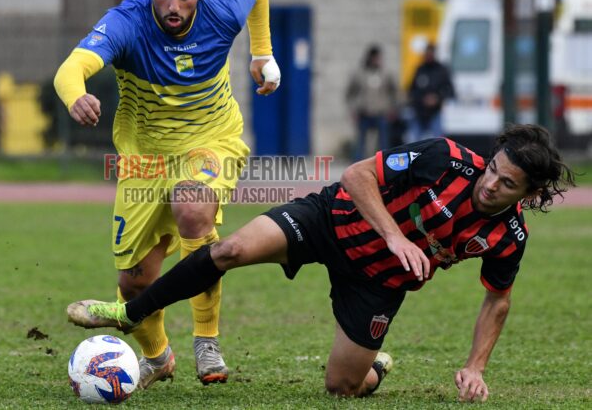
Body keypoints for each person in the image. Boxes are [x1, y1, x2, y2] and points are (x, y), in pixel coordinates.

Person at [67, 124, 574, 401]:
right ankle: (129, 315)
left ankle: (372, 366)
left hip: (377, 284)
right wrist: (396, 236)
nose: (491, 184)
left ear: (529, 194)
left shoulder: (508, 236)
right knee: (229, 249)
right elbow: (357, 175)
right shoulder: (446, 157)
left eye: (507, 184)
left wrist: (474, 366)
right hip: (328, 221)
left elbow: (497, 299)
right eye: (494, 170)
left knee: (342, 388)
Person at [54, 0, 281, 390]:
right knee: (134, 284)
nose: (173, 5)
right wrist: (75, 94)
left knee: (192, 206)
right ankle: (158, 358)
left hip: (212, 141)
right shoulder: (127, 22)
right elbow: (71, 68)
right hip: (144, 161)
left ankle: (206, 339)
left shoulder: (223, 8)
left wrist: (262, 52)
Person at [345, 44, 398, 161]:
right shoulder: (359, 73)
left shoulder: (386, 74)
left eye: (378, 58)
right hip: (363, 112)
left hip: (381, 113)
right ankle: (357, 164)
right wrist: (353, 109)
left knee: (383, 142)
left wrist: (393, 108)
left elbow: (395, 92)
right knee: (360, 143)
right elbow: (350, 93)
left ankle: (384, 164)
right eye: (374, 58)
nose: (376, 61)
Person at [406, 43, 455, 142]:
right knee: (413, 143)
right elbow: (411, 91)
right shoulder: (420, 70)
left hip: (435, 113)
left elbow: (450, 91)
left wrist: (437, 98)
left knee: (439, 142)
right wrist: (423, 99)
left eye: (430, 54)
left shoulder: (441, 70)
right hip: (419, 113)